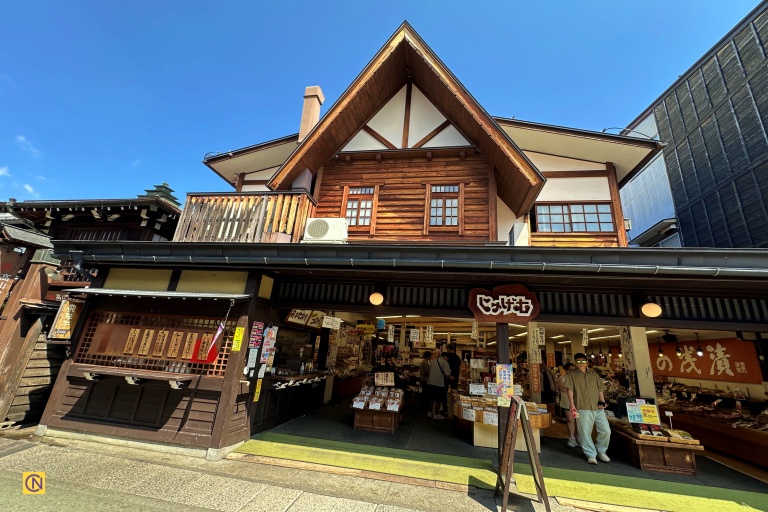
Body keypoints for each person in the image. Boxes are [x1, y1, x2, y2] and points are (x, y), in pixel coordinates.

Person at [565, 353, 611, 465]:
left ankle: (601, 450)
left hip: (597, 406)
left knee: (606, 431)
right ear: (576, 362)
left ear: (587, 362)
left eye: (583, 361)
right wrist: (572, 404)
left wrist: (602, 400)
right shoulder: (572, 374)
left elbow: (600, 388)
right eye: (578, 362)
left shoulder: (594, 374)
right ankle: (591, 454)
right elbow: (570, 390)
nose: (581, 364)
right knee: (585, 432)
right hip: (582, 406)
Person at [557, 363, 578, 447]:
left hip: (578, 402)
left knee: (578, 420)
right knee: (570, 419)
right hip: (567, 402)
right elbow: (562, 389)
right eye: (571, 370)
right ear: (566, 370)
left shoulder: (578, 378)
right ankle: (572, 438)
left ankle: (579, 437)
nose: (573, 371)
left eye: (574, 369)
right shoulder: (562, 378)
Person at [427, 351, 452, 419]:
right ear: (445, 357)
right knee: (438, 399)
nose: (447, 359)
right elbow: (447, 373)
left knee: (431, 399)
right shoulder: (445, 362)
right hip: (439, 383)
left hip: (430, 382)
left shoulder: (433, 361)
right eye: (447, 358)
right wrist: (452, 378)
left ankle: (429, 412)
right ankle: (436, 414)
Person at [445, 343, 462, 418]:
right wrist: (458, 376)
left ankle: (446, 410)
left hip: (446, 376)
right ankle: (455, 410)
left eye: (447, 348)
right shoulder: (457, 357)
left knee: (444, 393)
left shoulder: (446, 357)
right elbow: (459, 368)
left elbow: (444, 367)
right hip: (455, 376)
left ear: (448, 348)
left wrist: (448, 375)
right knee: (455, 394)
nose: (446, 350)